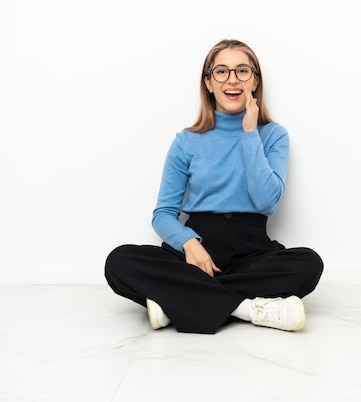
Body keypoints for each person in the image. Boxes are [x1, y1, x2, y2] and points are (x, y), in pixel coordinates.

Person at [104, 39, 324, 334]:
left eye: (242, 71)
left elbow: (266, 202)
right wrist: (189, 244)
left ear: (255, 81)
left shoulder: (273, 136)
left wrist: (249, 133)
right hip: (195, 248)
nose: (232, 80)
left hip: (251, 250)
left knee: (308, 264)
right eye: (221, 72)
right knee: (119, 261)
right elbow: (163, 213)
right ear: (208, 82)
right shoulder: (186, 140)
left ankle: (175, 301)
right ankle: (249, 309)